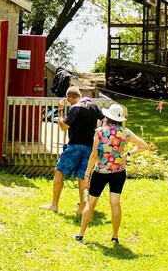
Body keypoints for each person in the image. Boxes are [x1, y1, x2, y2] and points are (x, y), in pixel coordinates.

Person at [74, 103, 149, 242]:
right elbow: (144, 146)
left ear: (108, 117)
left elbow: (94, 155)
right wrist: (129, 153)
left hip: (101, 172)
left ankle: (81, 233)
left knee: (91, 203)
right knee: (115, 203)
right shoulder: (125, 132)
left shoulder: (100, 132)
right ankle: (115, 236)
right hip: (119, 172)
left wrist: (87, 174)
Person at [40, 86, 102, 214]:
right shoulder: (93, 106)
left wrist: (61, 110)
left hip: (75, 146)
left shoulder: (75, 108)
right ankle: (82, 208)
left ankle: (54, 205)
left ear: (69, 97)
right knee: (82, 177)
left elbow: (63, 126)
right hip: (90, 148)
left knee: (59, 171)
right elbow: (103, 119)